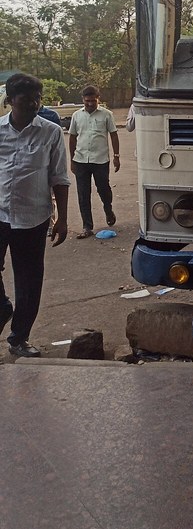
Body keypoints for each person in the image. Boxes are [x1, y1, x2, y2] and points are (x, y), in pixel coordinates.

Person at [0, 73, 69, 357]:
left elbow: (59, 177)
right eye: (26, 99)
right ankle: (3, 309)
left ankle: (19, 339)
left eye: (37, 98)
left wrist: (63, 219)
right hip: (0, 214)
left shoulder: (51, 132)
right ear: (9, 101)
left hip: (33, 218)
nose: (33, 104)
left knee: (29, 281)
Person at [68, 85, 120, 239]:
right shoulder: (77, 115)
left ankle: (108, 209)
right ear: (83, 100)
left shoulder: (107, 115)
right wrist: (72, 160)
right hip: (81, 160)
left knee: (103, 189)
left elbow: (114, 135)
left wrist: (116, 156)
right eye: (87, 101)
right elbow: (72, 137)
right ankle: (87, 226)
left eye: (93, 101)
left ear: (98, 99)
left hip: (100, 160)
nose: (90, 104)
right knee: (83, 194)